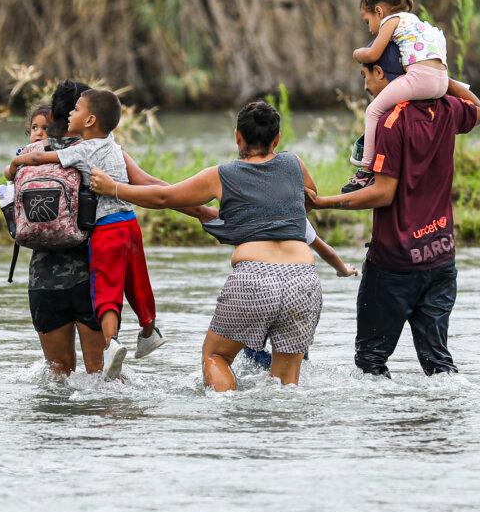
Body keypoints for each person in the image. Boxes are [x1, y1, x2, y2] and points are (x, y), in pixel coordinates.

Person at [90, 101, 322, 388]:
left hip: (254, 278)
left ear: (237, 136)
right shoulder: (294, 164)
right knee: (286, 384)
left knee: (216, 356)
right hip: (303, 279)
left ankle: (226, 413)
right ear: (277, 139)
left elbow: (163, 197)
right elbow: (310, 199)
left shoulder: (221, 175)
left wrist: (113, 187)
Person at [10, 81, 215, 378]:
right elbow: (153, 188)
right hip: (94, 275)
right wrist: (202, 211)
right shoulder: (102, 148)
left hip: (44, 278)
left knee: (57, 376)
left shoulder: (32, 152)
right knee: (101, 378)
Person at [307, 47, 480, 378]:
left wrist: (321, 203)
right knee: (439, 365)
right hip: (440, 257)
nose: (365, 86)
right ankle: (443, 413)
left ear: (380, 73)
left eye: (365, 76)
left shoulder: (392, 120)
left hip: (394, 264)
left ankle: (388, 415)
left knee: (370, 363)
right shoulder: (446, 107)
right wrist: (442, 80)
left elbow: (383, 193)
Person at [344, 0, 450, 192]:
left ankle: (365, 169)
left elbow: (373, 54)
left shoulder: (391, 21)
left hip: (421, 78)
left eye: (367, 21)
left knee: (373, 111)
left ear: (379, 11)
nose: (370, 29)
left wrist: (356, 53)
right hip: (442, 81)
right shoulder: (414, 21)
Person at [242, 218, 355, 369]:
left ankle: (267, 373)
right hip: (298, 287)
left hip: (260, 287)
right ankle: (290, 372)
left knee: (252, 351)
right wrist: (343, 270)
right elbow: (327, 252)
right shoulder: (297, 216)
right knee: (298, 354)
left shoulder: (248, 212)